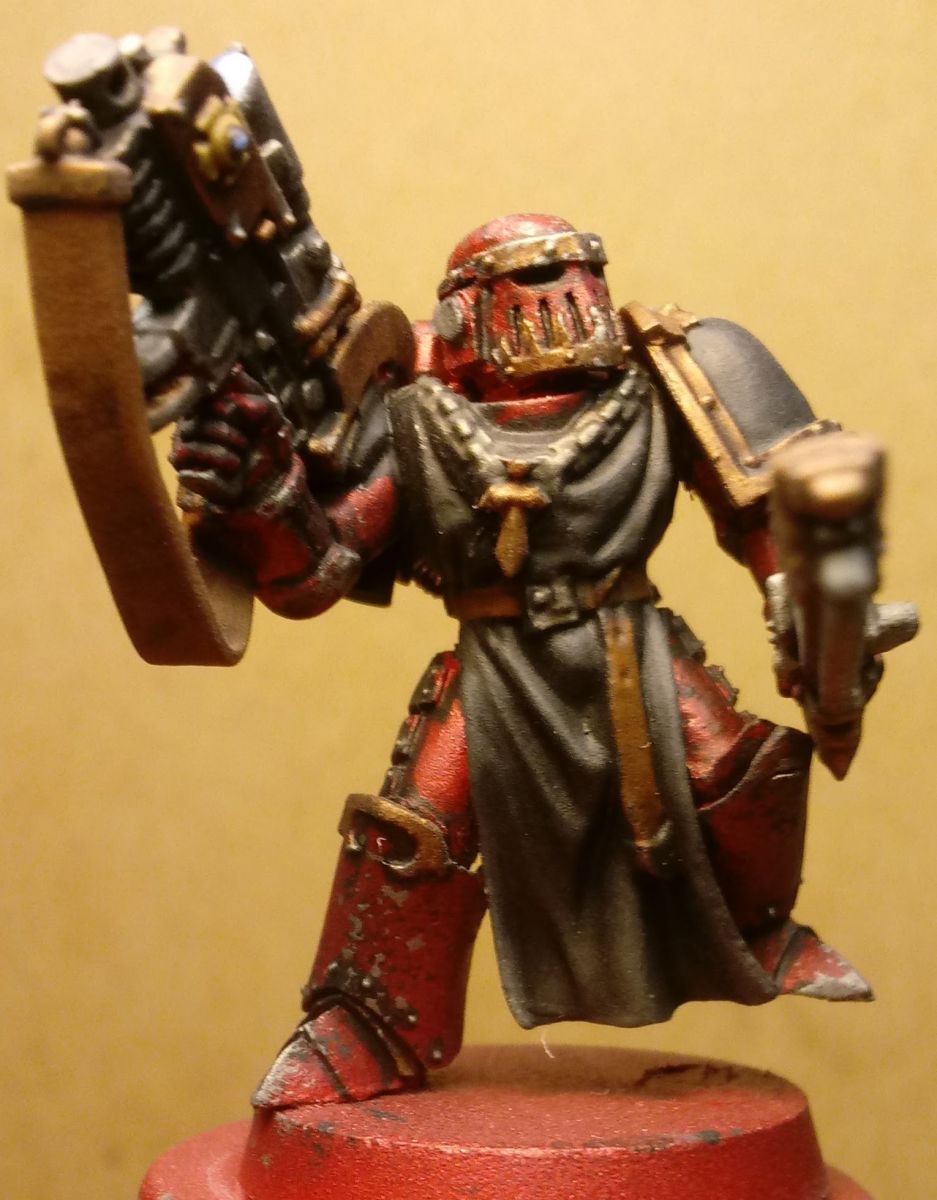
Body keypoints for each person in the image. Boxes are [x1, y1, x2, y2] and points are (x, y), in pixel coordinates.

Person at [170, 212, 873, 1110]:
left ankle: (758, 932)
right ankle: (366, 1023)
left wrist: (811, 609)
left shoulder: (663, 382)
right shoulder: (419, 417)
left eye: (569, 279)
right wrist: (264, 493)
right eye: (526, 285)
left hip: (629, 646)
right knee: (413, 829)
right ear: (460, 314)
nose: (555, 304)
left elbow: (772, 506)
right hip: (493, 667)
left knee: (734, 768)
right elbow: (321, 566)